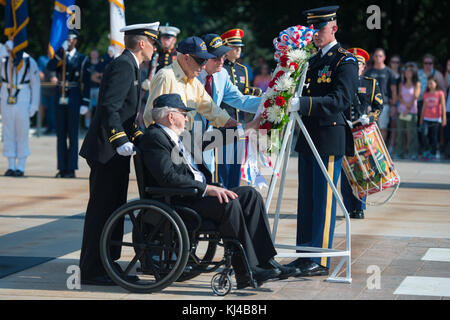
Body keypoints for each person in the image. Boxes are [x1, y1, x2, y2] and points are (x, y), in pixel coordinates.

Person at [138, 93, 299, 288]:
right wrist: (207, 189)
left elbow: (214, 139)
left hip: (195, 195)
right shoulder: (155, 138)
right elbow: (168, 178)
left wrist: (247, 128)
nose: (187, 118)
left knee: (250, 195)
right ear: (171, 117)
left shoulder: (181, 137)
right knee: (227, 202)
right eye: (184, 113)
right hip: (181, 200)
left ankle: (265, 260)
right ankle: (246, 270)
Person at [78, 23, 159, 286]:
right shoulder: (124, 65)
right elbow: (109, 108)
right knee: (102, 211)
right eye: (153, 42)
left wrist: (141, 139)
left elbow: (127, 116)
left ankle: (107, 263)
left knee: (114, 209)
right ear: (142, 43)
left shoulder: (133, 65)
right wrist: (119, 138)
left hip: (116, 151)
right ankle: (92, 269)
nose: (156, 47)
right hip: (107, 150)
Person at [284, 5, 358, 276]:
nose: (315, 34)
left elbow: (341, 100)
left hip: (328, 138)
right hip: (308, 138)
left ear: (334, 28)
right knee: (307, 200)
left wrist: (303, 103)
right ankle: (305, 254)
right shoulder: (312, 61)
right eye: (312, 28)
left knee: (324, 200)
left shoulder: (344, 60)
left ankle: (320, 258)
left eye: (320, 28)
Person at [197, 33, 261, 188]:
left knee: (210, 179)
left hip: (209, 138)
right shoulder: (193, 74)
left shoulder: (222, 74)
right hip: (189, 136)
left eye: (223, 56)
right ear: (204, 58)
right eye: (216, 58)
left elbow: (240, 100)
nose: (221, 61)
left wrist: (270, 101)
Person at [143, 36, 243, 131]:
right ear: (186, 58)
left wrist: (234, 124)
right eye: (201, 61)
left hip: (183, 140)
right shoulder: (166, 77)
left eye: (206, 61)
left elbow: (210, 109)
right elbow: (151, 116)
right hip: (167, 142)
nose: (204, 66)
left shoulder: (193, 81)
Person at [341, 48, 384, 219]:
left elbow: (379, 105)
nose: (355, 67)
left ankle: (359, 207)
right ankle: (348, 207)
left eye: (358, 64)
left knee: (361, 170)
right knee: (346, 172)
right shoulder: (342, 81)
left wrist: (370, 118)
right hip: (344, 130)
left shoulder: (370, 83)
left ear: (364, 66)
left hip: (361, 132)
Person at [47, 29, 90, 178]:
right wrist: (60, 51)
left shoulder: (82, 59)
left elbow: (87, 82)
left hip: (74, 96)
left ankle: (71, 168)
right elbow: (50, 67)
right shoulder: (60, 56)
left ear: (76, 40)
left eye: (71, 39)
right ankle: (62, 167)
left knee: (72, 134)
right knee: (61, 135)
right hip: (60, 96)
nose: (69, 41)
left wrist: (85, 101)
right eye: (67, 39)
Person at [0, 41, 40, 177]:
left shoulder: (29, 61)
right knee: (8, 132)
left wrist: (34, 105)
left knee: (22, 133)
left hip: (23, 99)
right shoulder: (3, 59)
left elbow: (35, 85)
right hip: (6, 98)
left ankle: (21, 166)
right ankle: (11, 165)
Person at [220, 28, 262, 123]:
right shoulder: (219, 68)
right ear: (225, 47)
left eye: (240, 46)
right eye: (234, 46)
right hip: (223, 119)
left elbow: (244, 93)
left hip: (240, 118)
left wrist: (254, 92)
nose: (238, 49)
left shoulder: (242, 69)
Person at [364, 48, 397, 141]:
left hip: (384, 104)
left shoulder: (389, 72)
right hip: (370, 105)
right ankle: (373, 150)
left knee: (383, 128)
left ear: (384, 58)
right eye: (376, 55)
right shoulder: (368, 72)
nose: (378, 58)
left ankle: (381, 150)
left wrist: (393, 106)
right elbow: (364, 90)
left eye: (380, 56)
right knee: (370, 128)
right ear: (373, 57)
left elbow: (394, 90)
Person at [418, 54, 446, 154]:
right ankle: (424, 149)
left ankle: (434, 150)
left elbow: (443, 88)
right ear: (423, 64)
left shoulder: (437, 74)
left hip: (435, 107)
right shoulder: (419, 73)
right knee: (422, 130)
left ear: (433, 64)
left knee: (434, 133)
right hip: (421, 102)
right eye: (426, 63)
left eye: (430, 63)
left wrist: (442, 112)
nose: (428, 65)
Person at [396, 62, 421, 160]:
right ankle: (400, 152)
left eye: (410, 70)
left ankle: (413, 152)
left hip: (412, 111)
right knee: (400, 133)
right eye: (406, 70)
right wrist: (405, 108)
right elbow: (400, 97)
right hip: (401, 111)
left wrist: (407, 108)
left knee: (412, 134)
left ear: (414, 72)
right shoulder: (401, 84)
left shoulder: (417, 84)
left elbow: (416, 96)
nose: (407, 72)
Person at [419, 76, 447, 160]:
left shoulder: (440, 93)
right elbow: (424, 107)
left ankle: (433, 153)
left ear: (436, 83)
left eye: (431, 83)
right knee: (424, 134)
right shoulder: (426, 94)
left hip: (436, 119)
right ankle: (427, 150)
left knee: (434, 137)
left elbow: (443, 106)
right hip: (426, 118)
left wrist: (444, 118)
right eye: (428, 83)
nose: (430, 85)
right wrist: (421, 118)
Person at [80, 48, 100, 129]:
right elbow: (83, 77)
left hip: (98, 88)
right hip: (88, 89)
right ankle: (87, 126)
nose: (94, 55)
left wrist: (96, 79)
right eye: (92, 53)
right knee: (88, 107)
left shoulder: (101, 64)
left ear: (97, 54)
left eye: (95, 53)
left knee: (99, 108)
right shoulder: (87, 64)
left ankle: (99, 125)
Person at [388, 54, 402, 154]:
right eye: (393, 62)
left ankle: (392, 145)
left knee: (394, 125)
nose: (395, 64)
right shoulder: (387, 72)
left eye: (397, 62)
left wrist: (395, 102)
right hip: (385, 100)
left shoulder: (401, 75)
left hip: (396, 103)